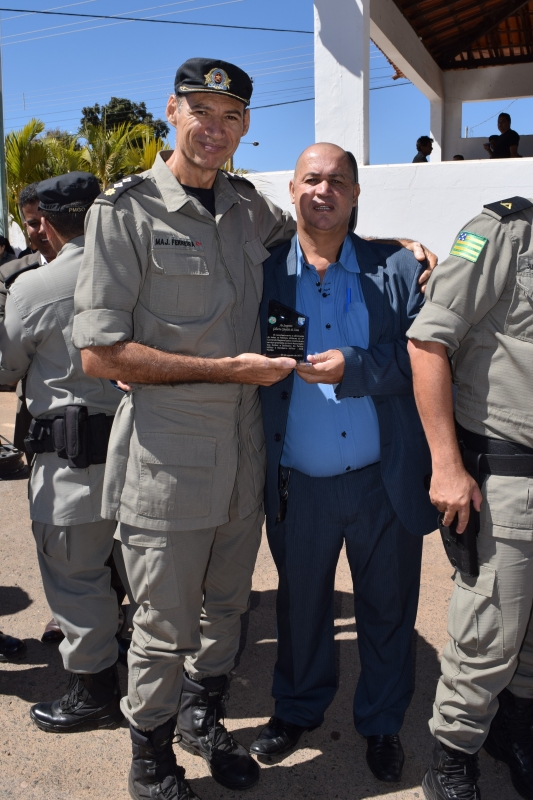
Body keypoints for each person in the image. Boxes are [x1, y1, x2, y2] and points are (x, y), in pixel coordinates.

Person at [73, 58, 436, 800]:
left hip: (302, 468)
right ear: (172, 111)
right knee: (203, 617)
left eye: (231, 116)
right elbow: (100, 352)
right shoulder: (136, 214)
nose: (215, 128)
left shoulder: (254, 214)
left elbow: (410, 342)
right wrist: (226, 370)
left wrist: (406, 248)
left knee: (248, 608)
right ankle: (175, 751)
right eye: (201, 112)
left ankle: (257, 722)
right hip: (209, 462)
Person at [249, 143, 436, 784]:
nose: (322, 190)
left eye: (337, 181)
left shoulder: (398, 270)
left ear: (355, 194)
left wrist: (357, 367)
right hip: (298, 484)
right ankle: (296, 709)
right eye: (311, 179)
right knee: (301, 608)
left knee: (388, 609)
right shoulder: (265, 273)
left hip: (384, 480)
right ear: (292, 190)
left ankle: (382, 722)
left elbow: (428, 358)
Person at [407, 194, 533, 800]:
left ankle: (516, 732)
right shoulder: (505, 231)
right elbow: (427, 342)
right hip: (509, 476)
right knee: (490, 632)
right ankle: (451, 761)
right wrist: (447, 464)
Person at [0, 171, 127, 734]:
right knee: (143, 572)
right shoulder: (139, 269)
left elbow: (6, 367)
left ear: (46, 224)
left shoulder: (34, 288)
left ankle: (94, 692)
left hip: (72, 463)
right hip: (143, 453)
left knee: (77, 579)